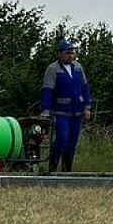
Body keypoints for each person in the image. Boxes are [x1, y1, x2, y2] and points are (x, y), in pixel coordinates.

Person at [39, 39, 92, 172]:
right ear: (60, 54)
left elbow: (85, 87)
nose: (70, 56)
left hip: (77, 112)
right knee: (62, 138)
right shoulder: (53, 69)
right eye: (67, 53)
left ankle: (67, 170)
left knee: (72, 142)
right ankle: (52, 167)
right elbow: (47, 90)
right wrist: (45, 109)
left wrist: (87, 106)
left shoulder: (78, 67)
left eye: (72, 53)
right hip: (61, 112)